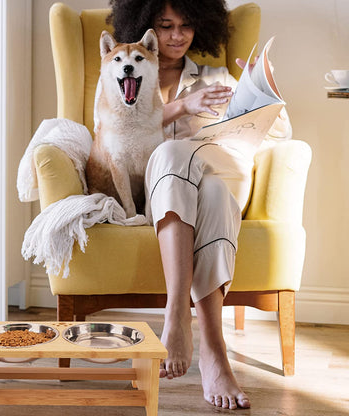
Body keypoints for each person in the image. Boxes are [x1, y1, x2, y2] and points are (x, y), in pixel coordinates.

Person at [107, 0, 291, 410]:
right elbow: (115, 133)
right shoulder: (127, 74)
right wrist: (181, 107)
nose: (177, 36)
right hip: (169, 197)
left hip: (221, 172)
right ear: (145, 26)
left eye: (186, 25)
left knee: (208, 182)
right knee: (178, 160)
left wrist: (267, 92)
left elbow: (275, 133)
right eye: (165, 25)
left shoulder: (217, 76)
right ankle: (213, 349)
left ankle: (177, 319)